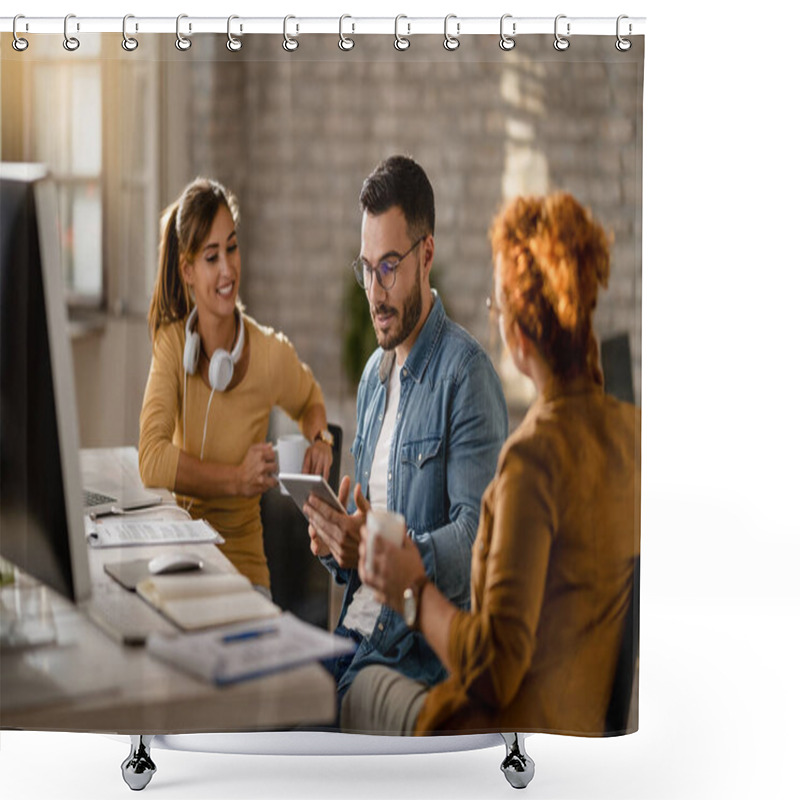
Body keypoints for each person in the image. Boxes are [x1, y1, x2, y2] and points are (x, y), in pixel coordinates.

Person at [340, 192, 641, 736]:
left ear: (519, 330)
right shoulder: (632, 434)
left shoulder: (531, 462)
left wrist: (412, 588)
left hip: (497, 728)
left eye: (497, 306)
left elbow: (493, 670)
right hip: (580, 724)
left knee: (339, 696)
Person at [303, 155, 508, 704]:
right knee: (259, 695)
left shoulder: (466, 377)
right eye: (367, 268)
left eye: (389, 265)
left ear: (427, 254)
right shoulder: (373, 375)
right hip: (355, 634)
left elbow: (479, 541)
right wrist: (336, 542)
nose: (375, 290)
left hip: (413, 656)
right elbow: (365, 533)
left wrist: (380, 547)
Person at [139, 177, 333, 593]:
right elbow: (151, 459)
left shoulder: (269, 354)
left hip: (245, 573)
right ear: (188, 270)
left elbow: (310, 400)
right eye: (211, 257)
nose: (228, 269)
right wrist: (235, 480)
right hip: (181, 561)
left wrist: (321, 439)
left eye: (232, 247)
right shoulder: (173, 345)